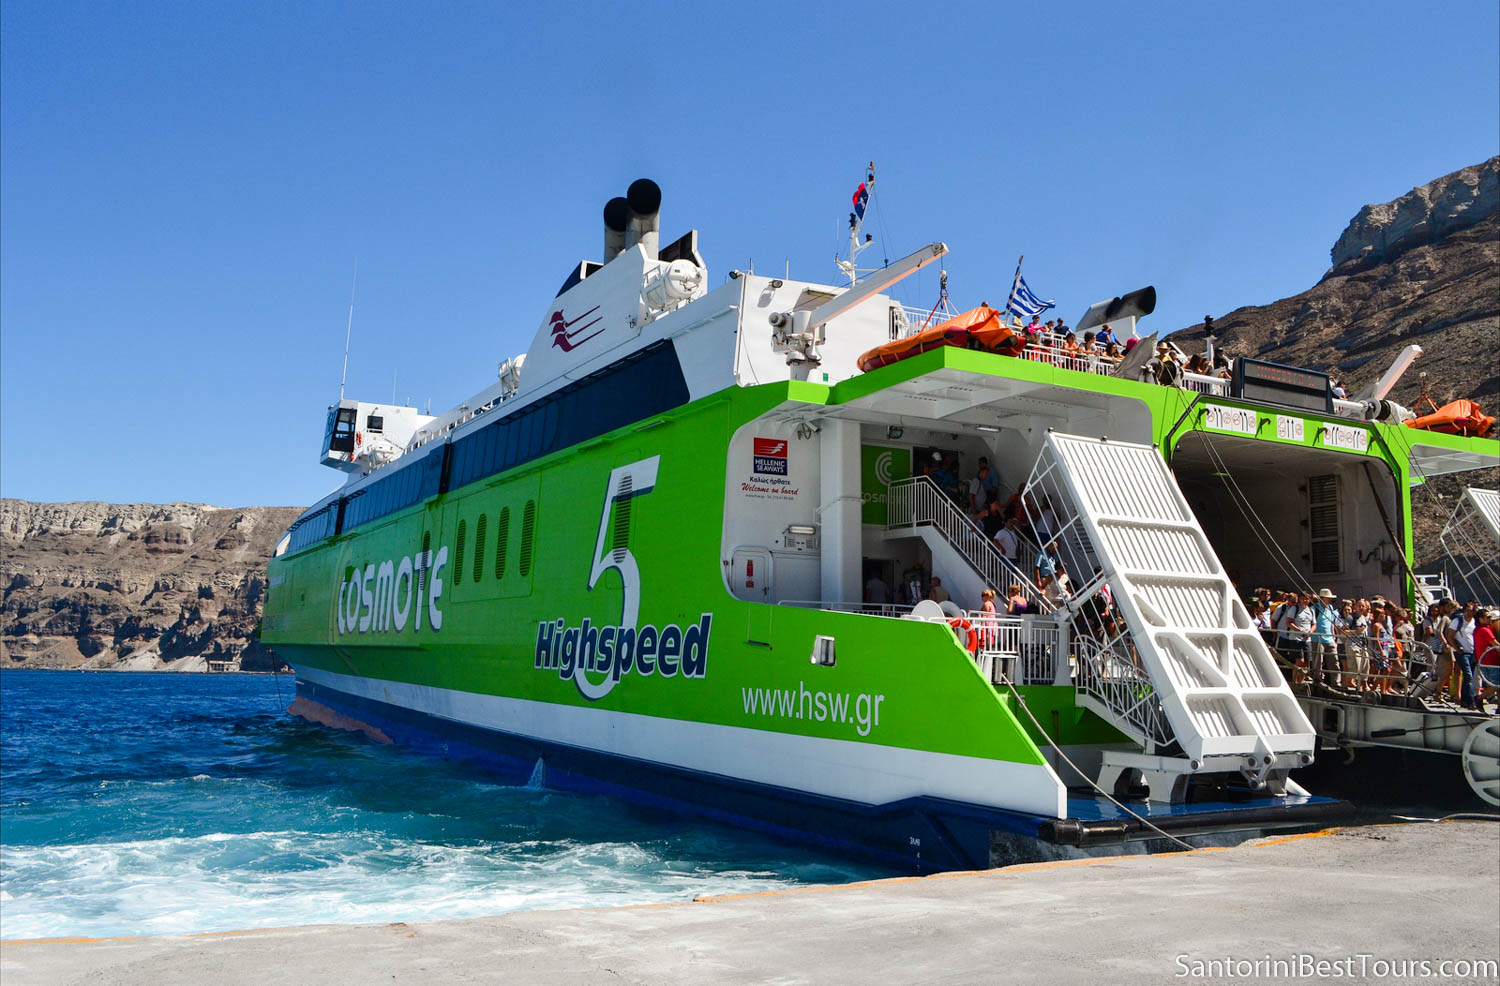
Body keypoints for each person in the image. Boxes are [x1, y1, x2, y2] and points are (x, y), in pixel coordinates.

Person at [1310, 588, 1339, 686]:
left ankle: (1336, 683)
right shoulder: (1314, 608)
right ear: (1323, 598)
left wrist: (1334, 635)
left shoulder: (1330, 607)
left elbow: (1331, 623)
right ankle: (1318, 682)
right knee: (1318, 663)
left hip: (1329, 638)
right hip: (1317, 639)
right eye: (1328, 598)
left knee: (1334, 662)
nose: (1330, 600)